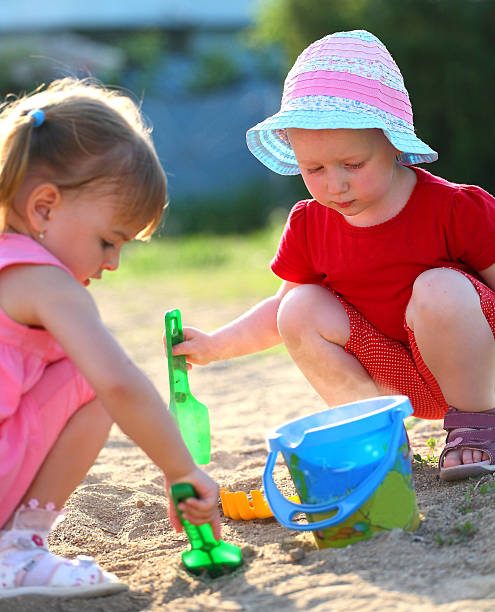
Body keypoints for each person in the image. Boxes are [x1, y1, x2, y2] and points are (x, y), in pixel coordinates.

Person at [171, 30, 495, 483]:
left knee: (438, 286)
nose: (334, 185)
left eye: (352, 165)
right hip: (397, 374)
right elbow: (281, 312)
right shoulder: (310, 223)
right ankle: (375, 434)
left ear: (393, 144)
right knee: (299, 304)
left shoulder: (456, 208)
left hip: (478, 364)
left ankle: (480, 426)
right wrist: (214, 346)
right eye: (314, 169)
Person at [0, 78, 220, 599]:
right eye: (108, 240)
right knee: (91, 380)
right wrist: (180, 469)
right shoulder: (45, 281)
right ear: (45, 208)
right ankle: (18, 551)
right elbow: (120, 384)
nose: (112, 262)